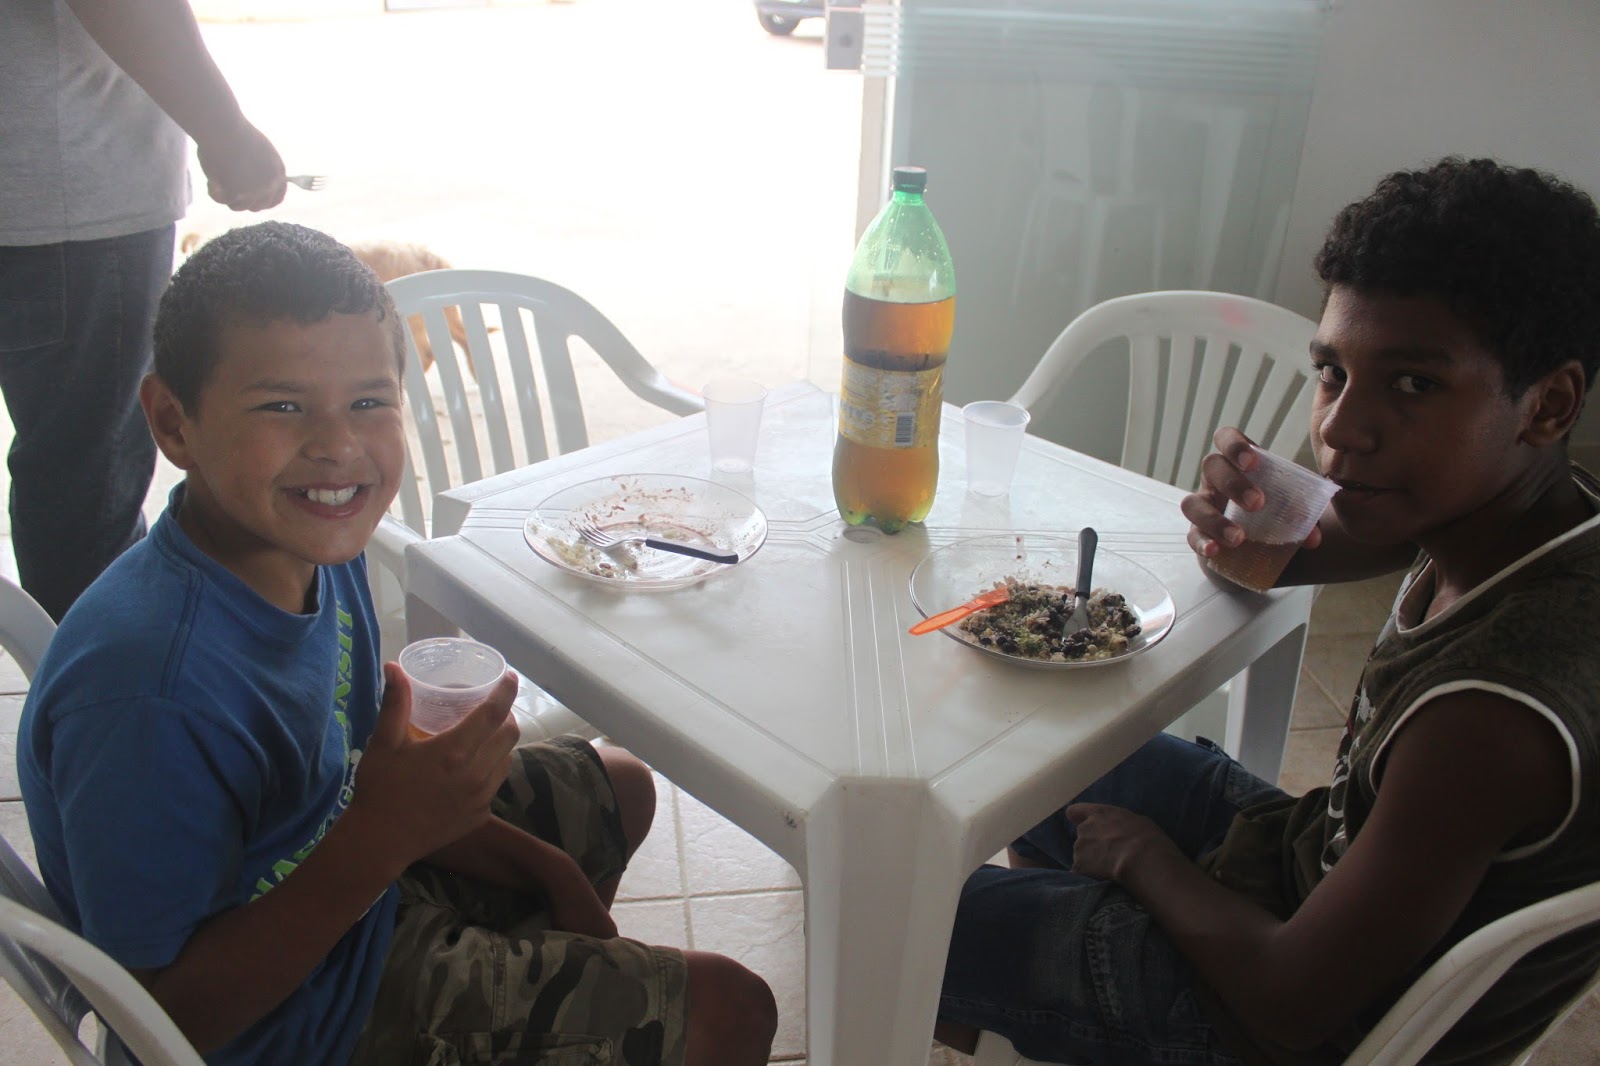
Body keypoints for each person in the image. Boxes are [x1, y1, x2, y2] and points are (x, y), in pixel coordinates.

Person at [17, 222, 778, 1066]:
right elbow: (160, 1022)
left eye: (369, 402)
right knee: (730, 1010)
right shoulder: (147, 693)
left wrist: (547, 872)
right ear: (172, 422)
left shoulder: (314, 547)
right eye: (281, 406)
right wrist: (380, 837)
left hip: (347, 880)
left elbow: (361, 787)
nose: (337, 446)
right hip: (289, 1023)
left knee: (618, 787)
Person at [934, 156, 1600, 1065]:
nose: (1340, 429)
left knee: (917, 914)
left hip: (1294, 1022)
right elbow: (1316, 550)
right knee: (1041, 758)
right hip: (1310, 873)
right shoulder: (1529, 523)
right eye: (1332, 371)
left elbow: (1292, 1002)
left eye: (1413, 383)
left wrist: (1146, 863)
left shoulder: (1490, 717)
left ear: (1548, 404)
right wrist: (1256, 522)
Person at [0, 0, 287, 622]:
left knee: (71, 472)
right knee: (85, 486)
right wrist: (226, 132)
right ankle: (97, 680)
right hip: (68, 204)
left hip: (45, 204)